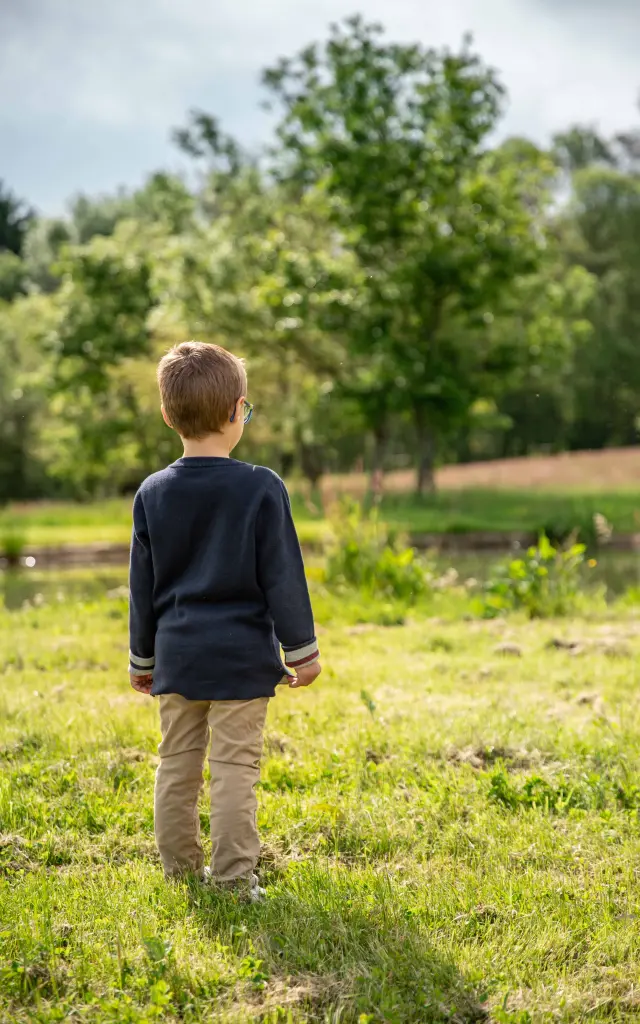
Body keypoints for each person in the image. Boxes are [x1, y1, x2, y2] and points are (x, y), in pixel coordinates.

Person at [128, 340, 321, 899]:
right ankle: (235, 878)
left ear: (168, 416)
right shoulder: (261, 486)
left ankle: (180, 872)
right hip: (241, 658)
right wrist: (302, 651)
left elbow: (143, 588)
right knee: (235, 766)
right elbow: (283, 577)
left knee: (176, 763)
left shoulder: (152, 492)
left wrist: (143, 659)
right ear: (238, 410)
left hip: (178, 657)